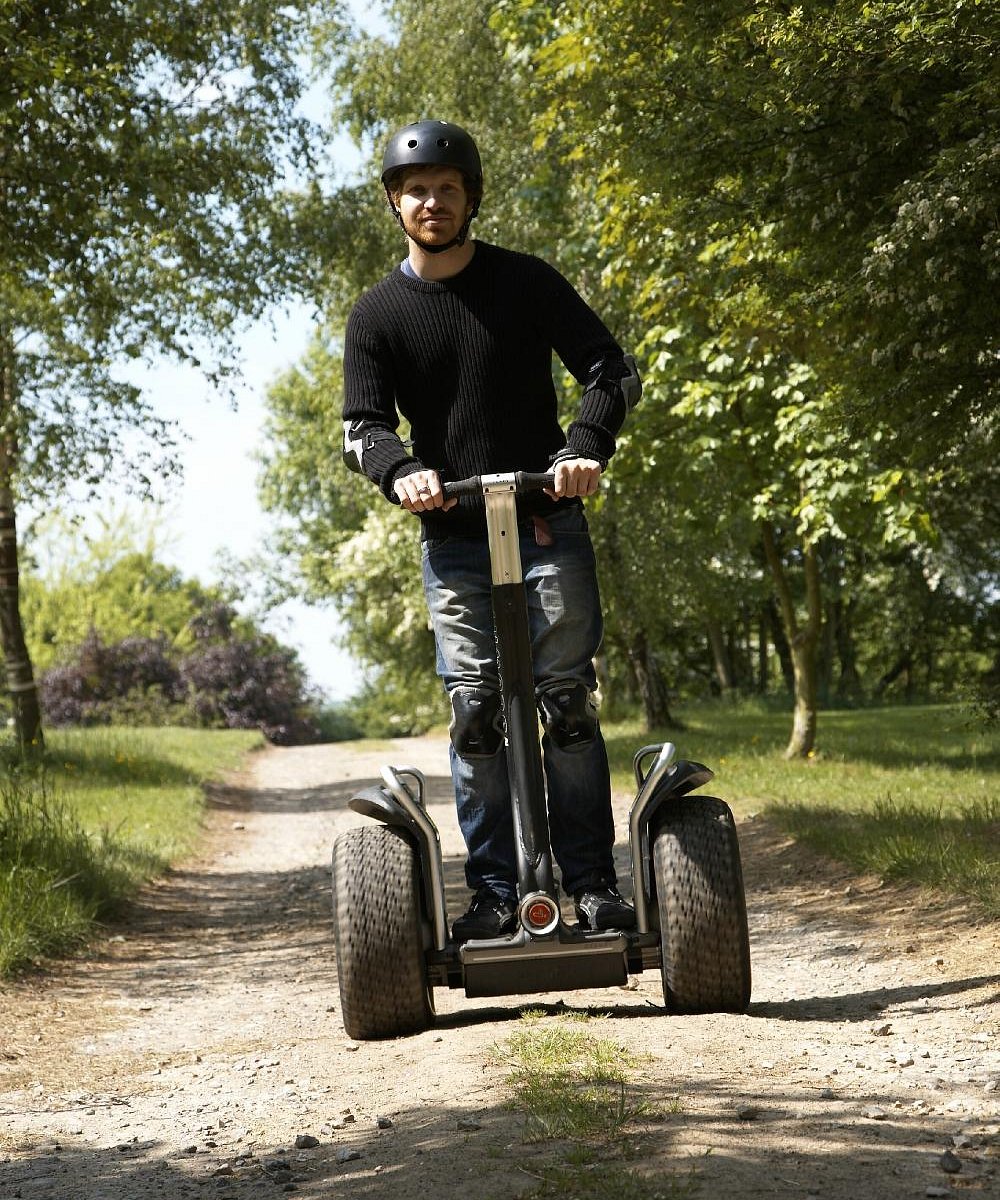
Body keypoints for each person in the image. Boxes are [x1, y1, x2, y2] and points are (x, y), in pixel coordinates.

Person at [341, 119, 641, 942]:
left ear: (470, 197)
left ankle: (591, 887)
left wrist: (583, 448)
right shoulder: (378, 314)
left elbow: (610, 370)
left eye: (445, 187)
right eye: (414, 189)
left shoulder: (528, 283)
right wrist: (400, 470)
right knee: (475, 714)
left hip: (547, 521)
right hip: (455, 537)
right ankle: (495, 895)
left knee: (567, 707)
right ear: (395, 203)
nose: (430, 201)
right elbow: (361, 425)